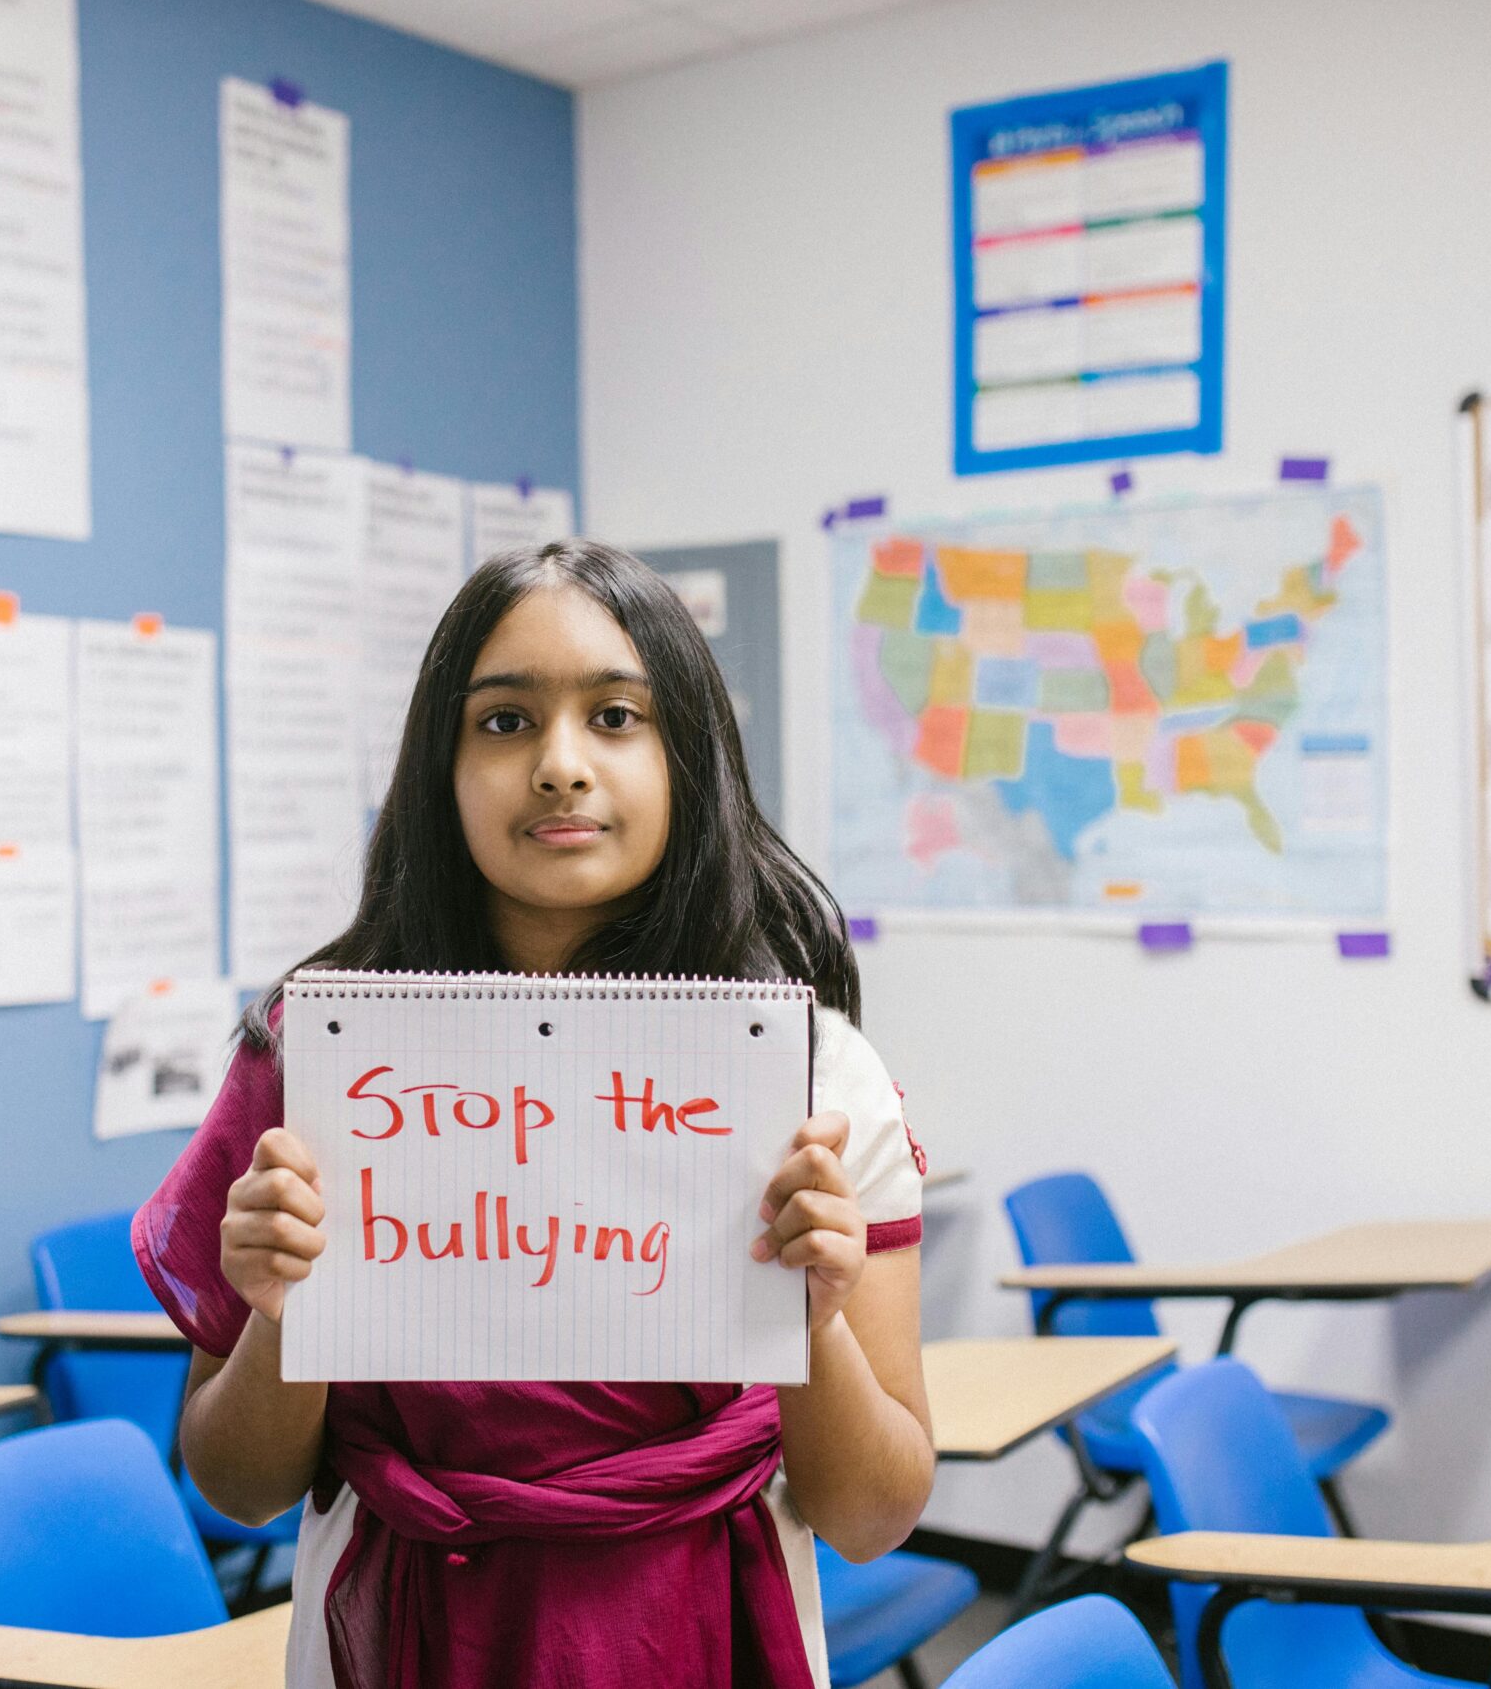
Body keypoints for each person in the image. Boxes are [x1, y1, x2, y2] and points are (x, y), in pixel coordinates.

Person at [134, 539, 933, 1687]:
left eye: (616, 716)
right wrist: (281, 1318)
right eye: (504, 723)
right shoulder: (317, 1056)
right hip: (398, 1633)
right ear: (439, 764)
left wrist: (814, 1321)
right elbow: (238, 1484)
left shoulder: (814, 1079)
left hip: (704, 1633)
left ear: (689, 759)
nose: (560, 765)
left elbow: (874, 1516)